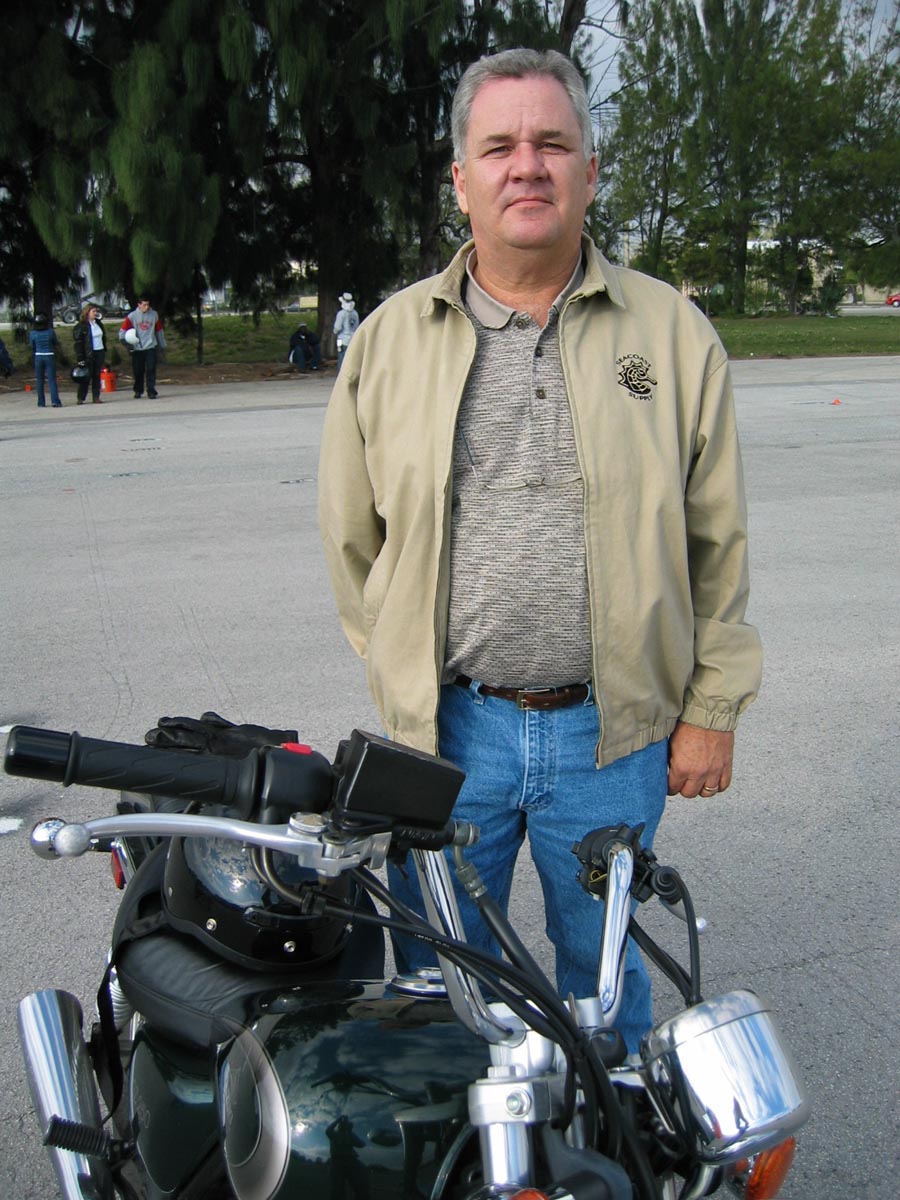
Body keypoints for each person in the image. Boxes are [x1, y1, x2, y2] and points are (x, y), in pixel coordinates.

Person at [318, 48, 762, 1054]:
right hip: (447, 738)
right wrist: (402, 675)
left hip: (612, 740)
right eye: (500, 147)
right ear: (461, 180)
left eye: (553, 143)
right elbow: (352, 542)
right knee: (437, 986)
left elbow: (717, 543)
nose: (528, 165)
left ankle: (604, 1133)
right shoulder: (388, 342)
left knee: (603, 988)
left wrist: (711, 709)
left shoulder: (673, 335)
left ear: (590, 173)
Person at [119, 296, 167, 398]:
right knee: (138, 371)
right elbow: (122, 332)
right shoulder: (132, 316)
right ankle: (138, 389)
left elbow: (159, 330)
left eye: (148, 305)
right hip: (137, 348)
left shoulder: (154, 315)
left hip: (150, 346)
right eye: (144, 305)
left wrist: (162, 345)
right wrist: (128, 345)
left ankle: (151, 390)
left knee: (151, 369)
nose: (146, 307)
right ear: (139, 305)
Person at [72, 303, 106, 404]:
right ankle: (81, 397)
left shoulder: (98, 324)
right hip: (88, 353)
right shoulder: (81, 326)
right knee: (86, 375)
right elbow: (78, 343)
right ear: (87, 312)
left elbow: (103, 337)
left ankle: (96, 396)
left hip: (99, 351)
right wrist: (80, 358)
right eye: (93, 311)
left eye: (96, 311)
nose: (95, 313)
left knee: (97, 375)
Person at [28, 313, 62, 407]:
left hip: (38, 355)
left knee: (39, 380)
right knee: (52, 379)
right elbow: (55, 342)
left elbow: (32, 345)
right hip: (49, 355)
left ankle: (41, 402)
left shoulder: (33, 333)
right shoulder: (50, 332)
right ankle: (55, 401)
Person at [332, 293, 359, 371]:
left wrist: (335, 331)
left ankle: (341, 373)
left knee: (341, 355)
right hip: (352, 338)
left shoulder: (341, 313)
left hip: (341, 339)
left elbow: (337, 327)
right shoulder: (355, 313)